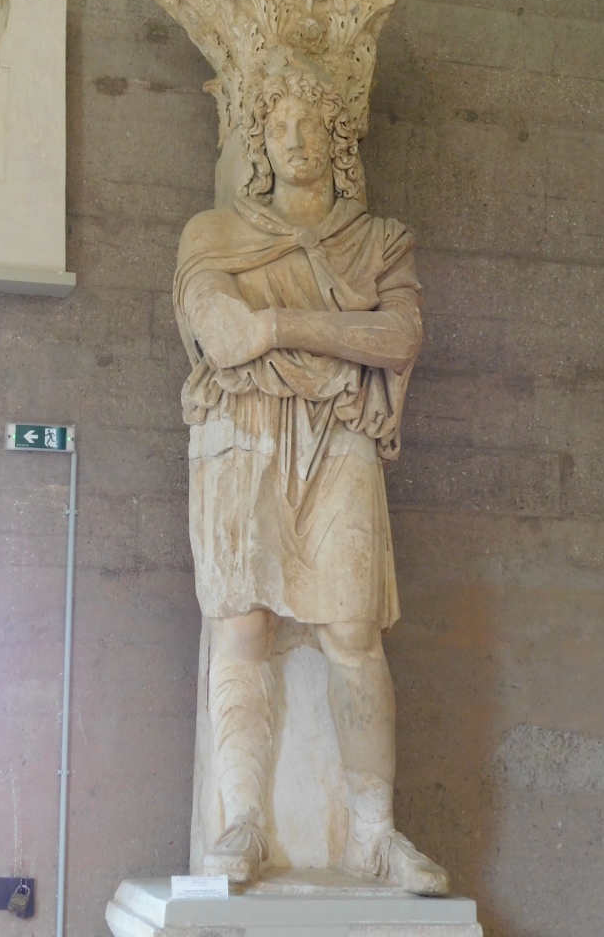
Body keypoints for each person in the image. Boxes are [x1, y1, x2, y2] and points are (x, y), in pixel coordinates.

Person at [173, 69, 449, 894]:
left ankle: (374, 834)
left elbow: (398, 337)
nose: (295, 141)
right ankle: (243, 822)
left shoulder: (379, 242)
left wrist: (278, 324)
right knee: (243, 625)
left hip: (340, 432)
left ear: (338, 139)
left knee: (354, 631)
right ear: (258, 143)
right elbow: (224, 339)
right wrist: (337, 332)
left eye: (310, 125)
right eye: (278, 127)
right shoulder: (214, 234)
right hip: (244, 433)